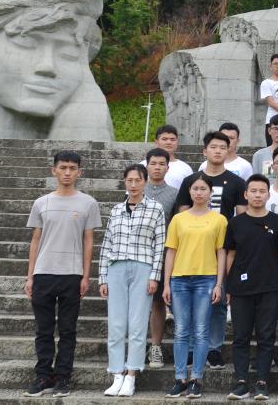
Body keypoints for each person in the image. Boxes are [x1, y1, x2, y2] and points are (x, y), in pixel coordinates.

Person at [22, 151, 101, 398]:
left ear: (79, 172)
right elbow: (36, 240)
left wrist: (86, 276)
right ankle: (43, 376)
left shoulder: (88, 203)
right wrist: (30, 276)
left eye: (72, 168)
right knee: (43, 330)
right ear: (53, 170)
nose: (67, 172)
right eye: (63, 167)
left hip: (71, 274)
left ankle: (63, 377)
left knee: (68, 330)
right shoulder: (41, 202)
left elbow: (89, 241)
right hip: (44, 272)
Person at [176, 131, 247, 371]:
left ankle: (214, 348)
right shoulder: (191, 180)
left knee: (218, 302)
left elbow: (241, 217)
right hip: (193, 249)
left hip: (223, 249)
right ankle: (192, 348)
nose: (217, 151)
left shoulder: (236, 182)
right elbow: (182, 214)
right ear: (204, 151)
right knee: (192, 303)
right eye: (213, 147)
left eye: (222, 147)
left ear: (229, 150)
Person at [99, 164, 167, 397]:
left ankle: (131, 375)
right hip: (116, 267)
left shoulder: (155, 209)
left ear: (145, 181)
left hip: (143, 267)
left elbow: (159, 245)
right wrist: (103, 277)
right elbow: (107, 244)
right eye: (129, 180)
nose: (133, 184)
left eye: (138, 180)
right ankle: (117, 373)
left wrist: (154, 276)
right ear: (125, 182)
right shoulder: (116, 210)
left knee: (137, 324)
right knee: (116, 324)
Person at [163, 174, 228, 399]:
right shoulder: (178, 219)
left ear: (210, 192)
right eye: (195, 188)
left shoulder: (219, 220)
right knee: (181, 330)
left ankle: (196, 379)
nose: (199, 192)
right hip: (179, 279)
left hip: (206, 279)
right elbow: (171, 251)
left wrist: (219, 283)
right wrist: (166, 283)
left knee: (201, 330)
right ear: (189, 192)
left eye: (203, 188)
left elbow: (221, 253)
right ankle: (180, 378)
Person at [224, 174, 278, 401]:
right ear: (246, 194)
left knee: (266, 336)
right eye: (253, 191)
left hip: (268, 287)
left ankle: (262, 382)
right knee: (240, 336)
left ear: (268, 195)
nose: (258, 195)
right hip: (240, 289)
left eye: (262, 191)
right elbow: (230, 254)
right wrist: (228, 285)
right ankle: (241, 382)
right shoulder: (235, 223)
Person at [143, 148, 180, 369]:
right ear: (147, 165)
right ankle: (138, 346)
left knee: (158, 302)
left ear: (168, 167)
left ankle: (155, 346)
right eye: (153, 163)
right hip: (138, 254)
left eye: (161, 164)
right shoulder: (136, 189)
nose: (157, 167)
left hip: (163, 254)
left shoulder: (175, 194)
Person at [145, 125, 194, 189]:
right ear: (156, 142)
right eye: (164, 139)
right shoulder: (143, 165)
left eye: (172, 139)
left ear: (177, 142)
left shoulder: (185, 168)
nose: (169, 142)